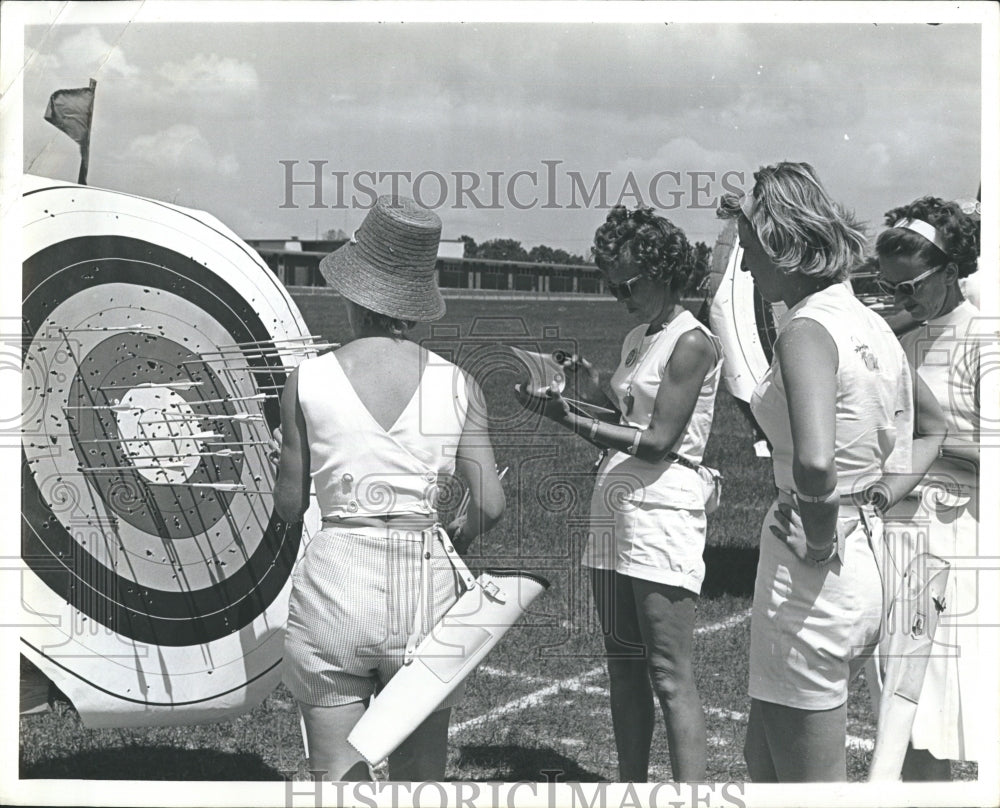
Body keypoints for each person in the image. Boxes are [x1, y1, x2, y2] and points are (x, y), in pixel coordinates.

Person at [716, 162, 947, 782]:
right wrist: (873, 497)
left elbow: (815, 463)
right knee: (761, 764)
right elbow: (932, 430)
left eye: (750, 250)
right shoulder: (872, 323)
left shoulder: (807, 328)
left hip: (812, 574)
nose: (745, 267)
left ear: (785, 245)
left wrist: (820, 535)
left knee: (810, 788)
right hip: (860, 564)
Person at [271, 195, 505, 781]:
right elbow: (492, 505)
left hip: (335, 583)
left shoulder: (307, 380)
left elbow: (289, 509)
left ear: (353, 291)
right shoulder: (461, 384)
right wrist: (458, 533)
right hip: (423, 582)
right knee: (419, 785)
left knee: (336, 781)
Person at [517, 206, 722, 782]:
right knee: (623, 662)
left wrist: (573, 421)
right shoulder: (640, 336)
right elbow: (624, 416)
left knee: (667, 671)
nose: (618, 296)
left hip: (662, 511)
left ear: (663, 271)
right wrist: (578, 391)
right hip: (616, 506)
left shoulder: (693, 342)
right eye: (609, 285)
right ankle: (632, 788)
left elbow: (657, 441)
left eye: (627, 284)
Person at [874, 196, 982, 780]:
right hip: (902, 539)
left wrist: (927, 456)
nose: (897, 302)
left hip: (963, 544)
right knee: (901, 709)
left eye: (908, 287)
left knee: (952, 707)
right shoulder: (901, 341)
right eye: (887, 288)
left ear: (948, 271)